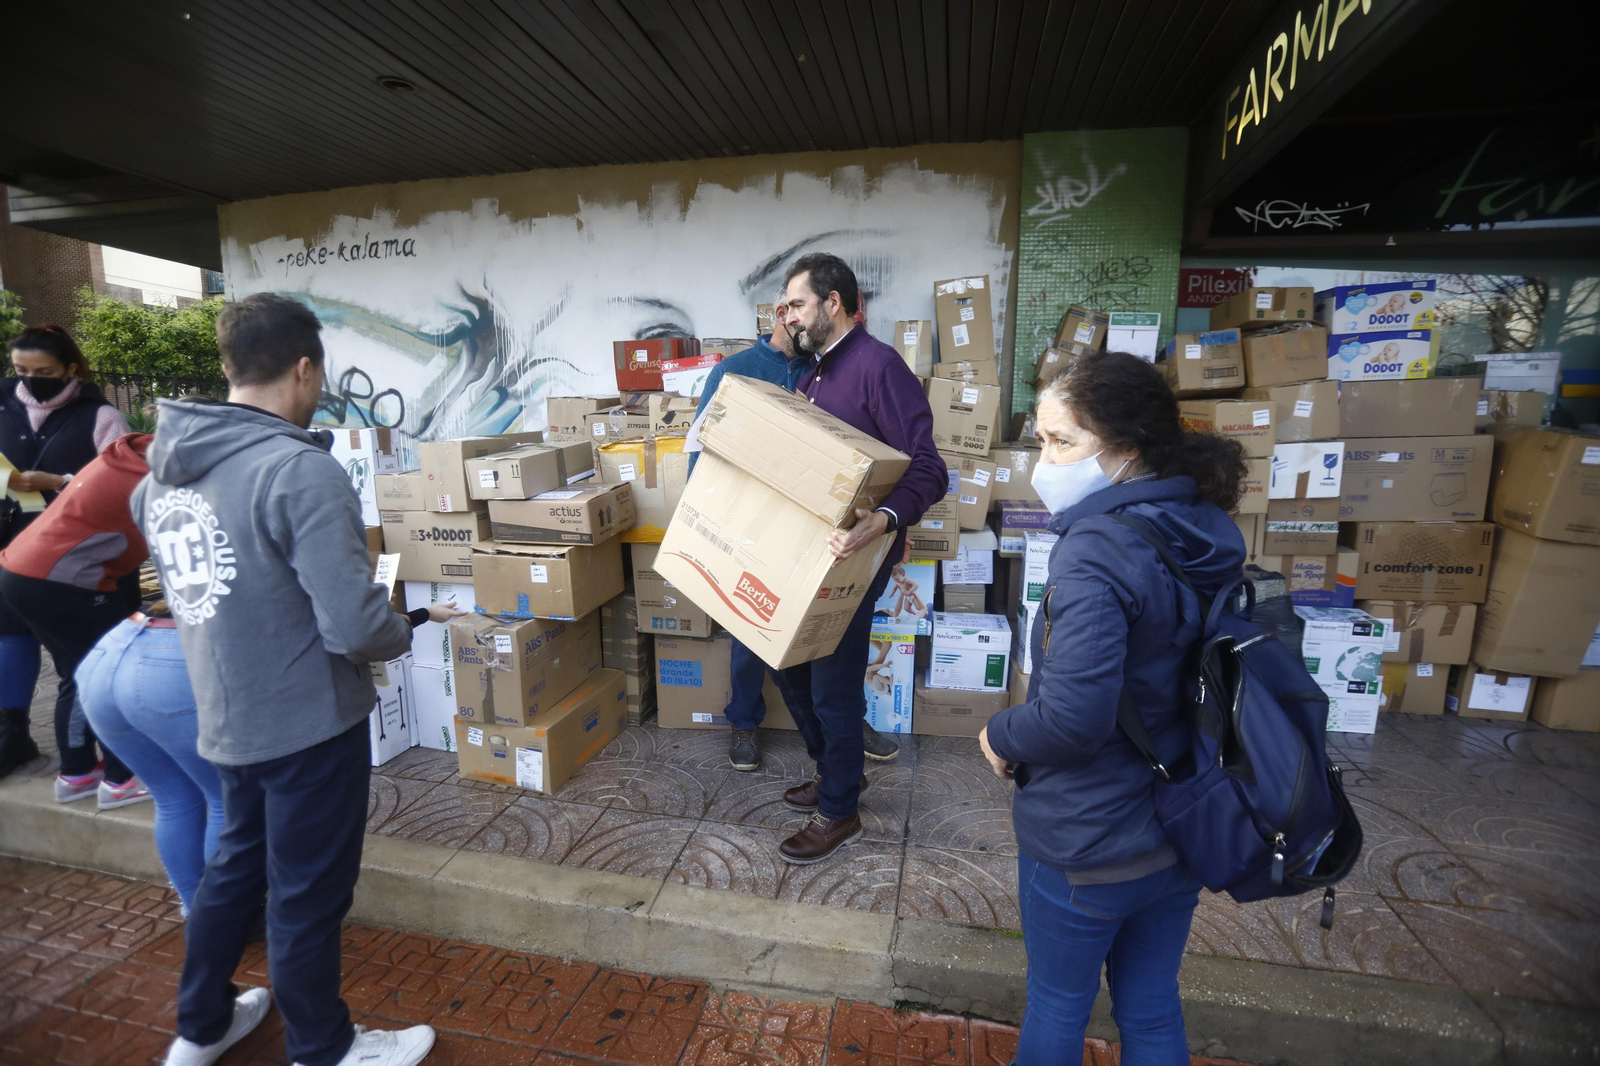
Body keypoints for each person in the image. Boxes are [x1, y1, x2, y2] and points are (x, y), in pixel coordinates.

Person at [135, 293, 453, 1066]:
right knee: (309, 891)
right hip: (308, 721)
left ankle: (201, 1026)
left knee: (233, 871)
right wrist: (406, 628)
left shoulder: (161, 477)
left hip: (226, 716)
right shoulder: (298, 470)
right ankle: (324, 1048)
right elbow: (355, 628)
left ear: (230, 365)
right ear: (305, 368)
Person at [977, 351, 1248, 1065]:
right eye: (1040, 440)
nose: (1044, 462)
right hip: (1182, 823)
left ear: (1127, 449)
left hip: (1089, 839)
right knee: (1151, 1005)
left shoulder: (1097, 551)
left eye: (1062, 442)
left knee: (1058, 1004)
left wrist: (999, 732)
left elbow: (1071, 719)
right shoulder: (1201, 524)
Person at [767, 253, 946, 863]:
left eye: (797, 305)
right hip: (808, 552)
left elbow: (929, 467)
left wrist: (886, 519)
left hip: (854, 557)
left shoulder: (878, 367)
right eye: (785, 308)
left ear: (834, 303)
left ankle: (839, 810)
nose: (788, 316)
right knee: (785, 663)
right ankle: (837, 772)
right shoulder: (813, 375)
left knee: (831, 684)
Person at [686, 295, 901, 771]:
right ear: (783, 315)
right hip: (750, 524)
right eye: (798, 314)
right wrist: (706, 524)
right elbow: (702, 450)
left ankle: (846, 726)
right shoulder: (735, 371)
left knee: (831, 634)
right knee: (748, 627)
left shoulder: (822, 370)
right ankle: (744, 721)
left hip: (813, 531)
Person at [0, 324, 132, 781]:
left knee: (86, 662)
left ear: (71, 369)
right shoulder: (3, 405)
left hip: (82, 560)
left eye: (44, 372)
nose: (30, 380)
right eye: (20, 370)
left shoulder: (100, 417)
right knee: (14, 636)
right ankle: (16, 733)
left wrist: (58, 482)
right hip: (12, 548)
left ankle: (97, 763)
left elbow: (123, 487)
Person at [0, 431, 152, 809]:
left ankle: (78, 773)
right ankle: (122, 778)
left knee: (80, 671)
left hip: (22, 572)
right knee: (112, 673)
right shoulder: (158, 473)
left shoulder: (123, 457)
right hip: (63, 580)